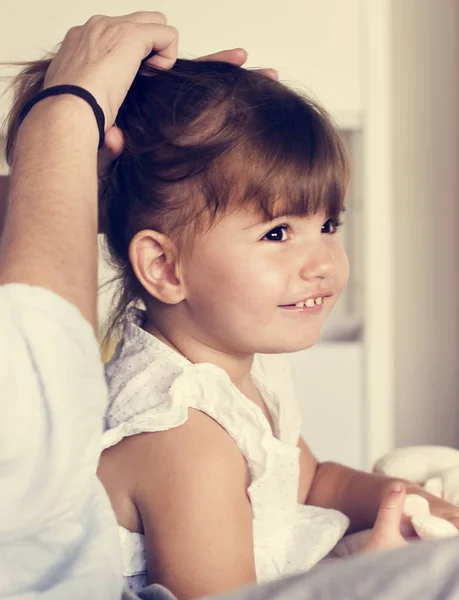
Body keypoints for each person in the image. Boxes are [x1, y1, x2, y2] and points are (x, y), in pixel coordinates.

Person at [2, 11, 459, 600]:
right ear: (165, 268)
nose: (322, 260)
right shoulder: (186, 437)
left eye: (327, 224)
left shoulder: (235, 369)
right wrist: (365, 576)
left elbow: (312, 480)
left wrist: (421, 505)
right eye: (277, 233)